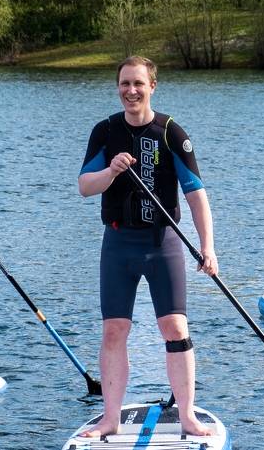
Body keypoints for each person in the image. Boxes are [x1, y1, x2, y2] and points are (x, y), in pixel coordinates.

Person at [76, 56, 218, 438]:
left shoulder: (171, 132)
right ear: (118, 87)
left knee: (174, 327)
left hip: (163, 242)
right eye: (124, 83)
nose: (131, 91)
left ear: (152, 86)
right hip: (119, 242)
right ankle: (110, 418)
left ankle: (187, 415)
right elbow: (85, 186)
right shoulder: (105, 131)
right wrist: (111, 171)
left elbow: (196, 194)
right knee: (114, 330)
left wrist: (208, 247)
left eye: (138, 83)